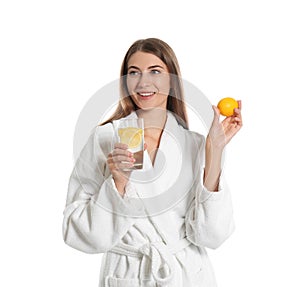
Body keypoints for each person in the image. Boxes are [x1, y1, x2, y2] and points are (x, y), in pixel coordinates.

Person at [62, 38, 242, 287]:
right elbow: (77, 233)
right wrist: (118, 184)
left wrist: (215, 152)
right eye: (133, 73)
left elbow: (213, 236)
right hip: (128, 275)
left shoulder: (197, 144)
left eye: (155, 71)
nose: (143, 82)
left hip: (187, 275)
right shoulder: (104, 138)